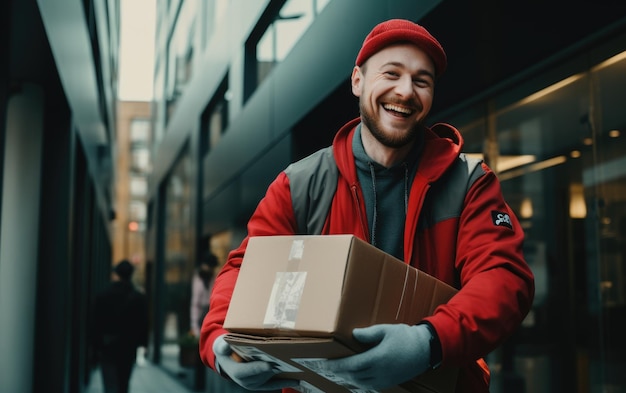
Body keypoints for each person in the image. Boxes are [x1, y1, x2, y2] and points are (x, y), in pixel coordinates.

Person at [199, 18, 535, 393]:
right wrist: (219, 342)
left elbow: (503, 278)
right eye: (391, 73)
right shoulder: (300, 183)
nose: (406, 91)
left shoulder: (469, 182)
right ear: (357, 81)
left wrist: (429, 342)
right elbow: (246, 269)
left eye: (422, 81)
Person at [93, 259, 149, 393]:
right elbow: (143, 323)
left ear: (116, 274)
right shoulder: (138, 298)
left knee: (110, 385)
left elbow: (96, 323)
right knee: (123, 384)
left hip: (108, 346)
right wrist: (143, 344)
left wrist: (95, 345)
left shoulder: (103, 296)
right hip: (128, 347)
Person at [190, 251, 218, 338]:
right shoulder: (198, 280)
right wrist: (194, 326)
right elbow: (195, 304)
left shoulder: (213, 277)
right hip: (202, 314)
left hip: (211, 311)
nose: (211, 269)